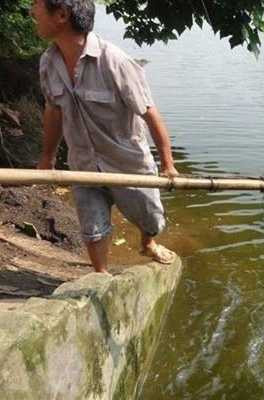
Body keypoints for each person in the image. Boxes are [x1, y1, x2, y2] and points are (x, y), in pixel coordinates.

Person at [30, 0, 178, 272]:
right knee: (93, 227)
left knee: (152, 219)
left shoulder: (115, 62)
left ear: (62, 15)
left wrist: (168, 165)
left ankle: (147, 243)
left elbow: (149, 113)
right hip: (83, 164)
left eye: (37, 5)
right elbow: (53, 112)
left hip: (127, 164)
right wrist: (47, 158)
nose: (32, 11)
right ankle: (101, 276)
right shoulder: (48, 62)